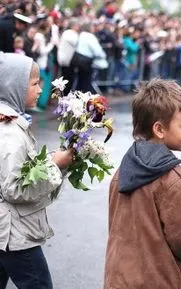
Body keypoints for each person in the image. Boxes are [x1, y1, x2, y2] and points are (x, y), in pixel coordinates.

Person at [104, 79, 181, 289]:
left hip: (119, 279)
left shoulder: (122, 171)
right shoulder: (175, 180)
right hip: (158, 281)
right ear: (159, 129)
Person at [0, 52, 74, 289]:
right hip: (15, 235)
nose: (41, 89)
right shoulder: (10, 132)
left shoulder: (10, 124)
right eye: (34, 84)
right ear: (14, 86)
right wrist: (56, 165)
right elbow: (13, 187)